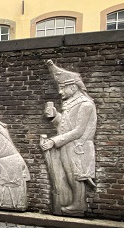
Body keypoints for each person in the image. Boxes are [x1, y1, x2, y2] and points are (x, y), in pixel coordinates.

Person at [40, 60, 97, 214]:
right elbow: (66, 126)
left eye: (63, 88)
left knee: (77, 176)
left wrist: (54, 141)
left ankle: (79, 205)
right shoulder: (71, 103)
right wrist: (55, 116)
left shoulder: (85, 104)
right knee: (69, 175)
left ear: (73, 86)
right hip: (68, 146)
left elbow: (78, 131)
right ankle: (76, 204)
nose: (60, 92)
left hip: (79, 147)